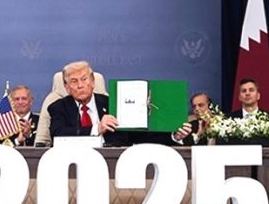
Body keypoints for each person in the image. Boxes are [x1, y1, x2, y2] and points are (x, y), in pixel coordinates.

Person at [49, 60, 190, 146]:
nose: (80, 85)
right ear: (66, 87)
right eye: (74, 81)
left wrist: (173, 136)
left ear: (93, 82)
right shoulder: (58, 107)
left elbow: (138, 135)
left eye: (84, 79)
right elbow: (58, 134)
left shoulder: (112, 104)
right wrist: (97, 129)